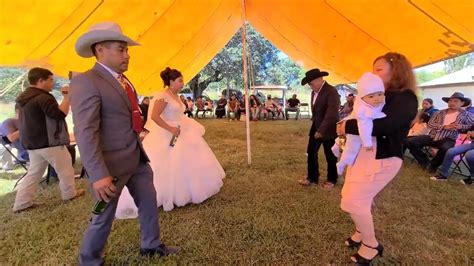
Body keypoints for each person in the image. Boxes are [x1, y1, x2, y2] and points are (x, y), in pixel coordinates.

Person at [70, 22, 179, 265]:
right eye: (121, 49)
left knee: (149, 203)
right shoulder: (86, 82)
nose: (127, 55)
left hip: (137, 159)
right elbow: (86, 131)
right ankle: (89, 260)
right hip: (109, 167)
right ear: (99, 50)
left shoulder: (123, 80)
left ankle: (151, 245)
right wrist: (98, 174)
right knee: (102, 216)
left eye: (127, 50)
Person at [337, 52, 418, 264]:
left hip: (384, 157)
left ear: (396, 70)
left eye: (379, 69)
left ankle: (371, 245)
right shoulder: (378, 94)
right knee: (351, 194)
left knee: (355, 199)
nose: (373, 73)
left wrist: (347, 126)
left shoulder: (405, 98)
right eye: (373, 69)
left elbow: (384, 126)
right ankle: (360, 232)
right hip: (365, 155)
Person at [116, 67, 225, 215]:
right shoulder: (163, 96)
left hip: (183, 131)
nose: (183, 83)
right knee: (167, 163)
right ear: (171, 82)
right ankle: (166, 192)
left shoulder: (177, 96)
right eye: (180, 81)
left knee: (189, 160)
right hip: (167, 133)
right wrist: (170, 128)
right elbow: (154, 116)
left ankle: (192, 188)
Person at [13, 67, 84, 213]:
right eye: (51, 80)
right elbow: (59, 114)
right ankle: (69, 194)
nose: (53, 83)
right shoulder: (44, 97)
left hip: (32, 142)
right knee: (65, 170)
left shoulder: (23, 97)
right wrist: (67, 97)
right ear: (41, 80)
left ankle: (21, 203)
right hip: (48, 141)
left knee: (34, 173)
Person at [404, 92, 473, 173]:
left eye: (455, 101)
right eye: (450, 101)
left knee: (445, 148)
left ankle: (433, 166)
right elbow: (430, 124)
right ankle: (425, 162)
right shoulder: (439, 112)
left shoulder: (466, 114)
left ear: (462, 103)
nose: (452, 103)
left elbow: (471, 125)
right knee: (410, 141)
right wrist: (444, 126)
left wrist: (461, 126)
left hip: (449, 138)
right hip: (433, 136)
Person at [334, 72, 386, 176]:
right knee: (351, 149)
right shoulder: (363, 111)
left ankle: (338, 149)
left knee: (352, 148)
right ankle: (341, 164)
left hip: (358, 127)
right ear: (362, 98)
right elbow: (364, 127)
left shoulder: (377, 102)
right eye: (371, 96)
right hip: (357, 131)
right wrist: (367, 143)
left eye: (380, 94)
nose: (377, 98)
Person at [298, 68, 340, 189]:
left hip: (329, 130)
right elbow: (317, 113)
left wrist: (321, 130)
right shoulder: (313, 93)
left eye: (311, 83)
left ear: (319, 79)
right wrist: (316, 129)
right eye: (309, 85)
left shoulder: (331, 91)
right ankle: (312, 178)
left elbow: (332, 114)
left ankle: (332, 179)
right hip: (315, 127)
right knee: (311, 152)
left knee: (330, 155)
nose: (310, 86)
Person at [0, 104, 29, 170]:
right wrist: (27, 126)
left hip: (20, 146)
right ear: (18, 111)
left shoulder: (25, 122)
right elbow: (12, 138)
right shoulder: (8, 122)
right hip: (5, 144)